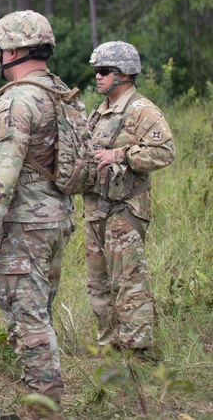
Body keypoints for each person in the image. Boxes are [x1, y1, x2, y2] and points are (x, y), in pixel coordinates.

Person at [0, 10, 77, 415]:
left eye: (0, 49)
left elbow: (3, 170)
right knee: (40, 313)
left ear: (14, 49)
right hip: (56, 217)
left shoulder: (18, 99)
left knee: (27, 320)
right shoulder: (60, 92)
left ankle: (43, 409)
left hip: (24, 225)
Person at [85, 41, 174, 357]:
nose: (97, 77)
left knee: (128, 280)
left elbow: (165, 152)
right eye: (96, 71)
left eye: (104, 71)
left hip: (126, 208)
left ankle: (137, 351)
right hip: (97, 207)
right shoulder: (101, 112)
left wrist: (120, 154)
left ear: (123, 73)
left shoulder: (142, 110)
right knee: (98, 282)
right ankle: (110, 347)